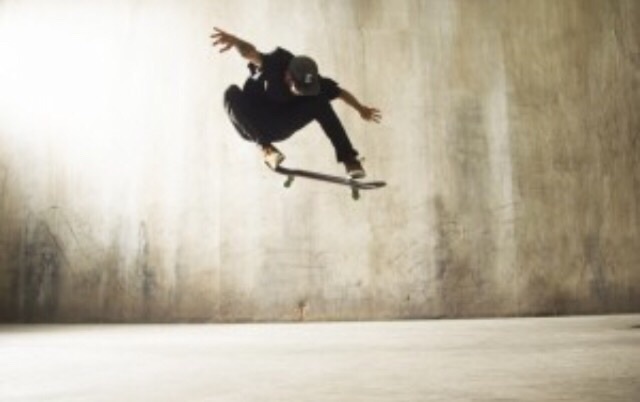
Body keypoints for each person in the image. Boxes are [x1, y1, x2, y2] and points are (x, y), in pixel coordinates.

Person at [210, 27, 381, 179]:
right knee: (231, 92)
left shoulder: (314, 81)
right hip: (251, 122)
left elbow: (340, 92)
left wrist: (361, 109)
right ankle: (265, 148)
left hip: (278, 125)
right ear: (288, 76)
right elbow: (251, 53)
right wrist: (235, 41)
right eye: (299, 89)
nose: (301, 93)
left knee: (319, 101)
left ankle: (349, 159)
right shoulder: (275, 62)